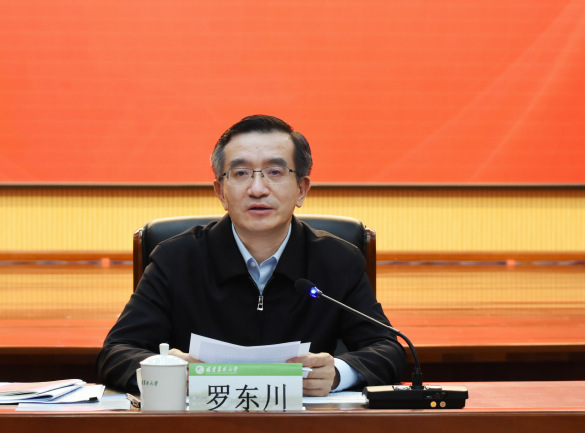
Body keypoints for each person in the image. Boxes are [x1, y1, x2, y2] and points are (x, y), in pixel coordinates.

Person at [96, 114, 406, 396]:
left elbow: (387, 349)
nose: (258, 189)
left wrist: (337, 373)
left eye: (275, 172)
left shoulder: (338, 260)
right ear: (221, 191)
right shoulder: (176, 259)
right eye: (241, 173)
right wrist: (166, 372)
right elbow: (117, 351)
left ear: (301, 189)